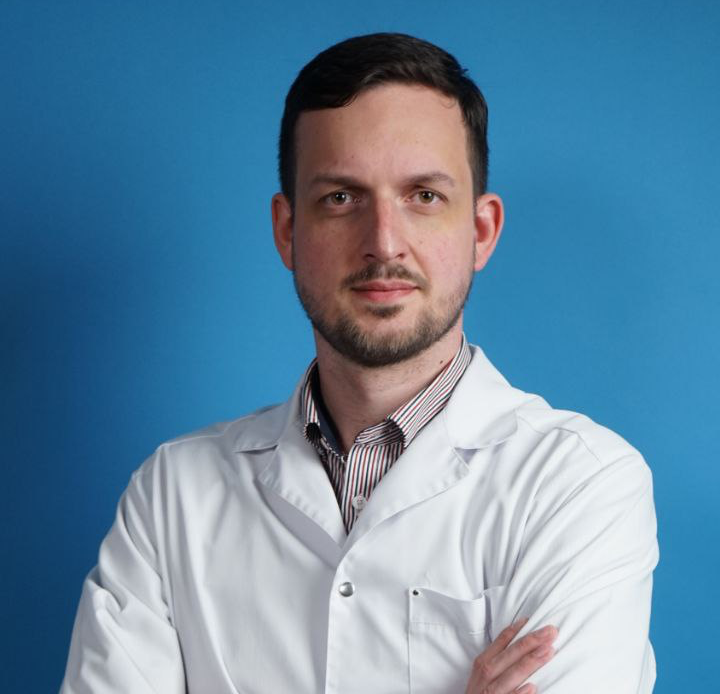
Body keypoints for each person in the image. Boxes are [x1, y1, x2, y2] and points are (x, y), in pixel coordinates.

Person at [60, 33, 658, 694]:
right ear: (288, 230)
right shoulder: (172, 495)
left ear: (481, 231)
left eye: (423, 196)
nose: (383, 243)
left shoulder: (578, 486)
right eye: (341, 198)